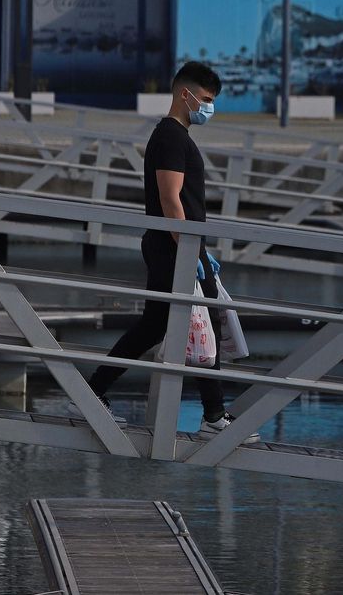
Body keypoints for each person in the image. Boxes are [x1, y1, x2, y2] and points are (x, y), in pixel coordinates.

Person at [86, 61, 256, 441]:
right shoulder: (170, 138)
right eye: (207, 100)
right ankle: (214, 415)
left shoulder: (176, 137)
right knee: (205, 323)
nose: (209, 109)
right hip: (175, 247)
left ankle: (92, 392)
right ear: (186, 94)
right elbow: (171, 200)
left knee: (153, 327)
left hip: (175, 245)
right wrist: (192, 253)